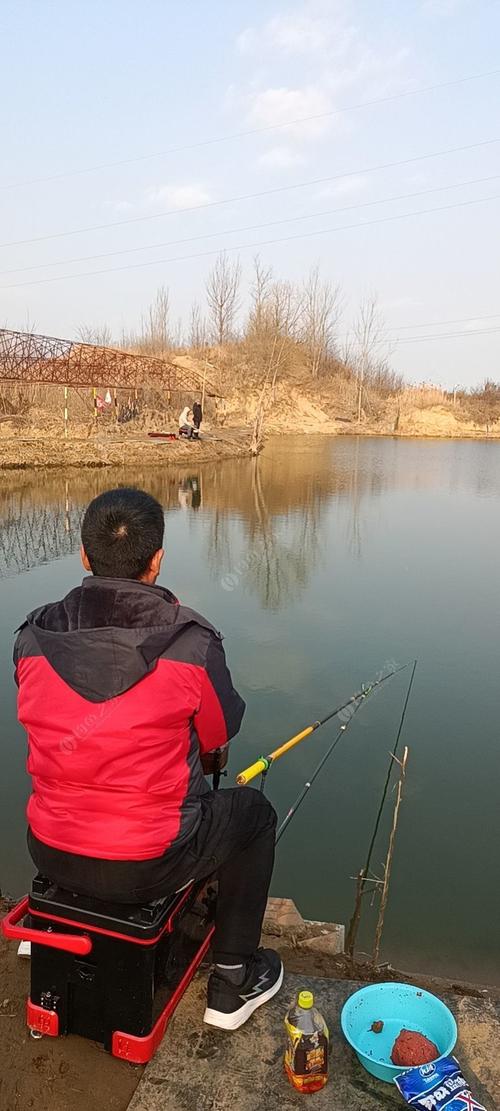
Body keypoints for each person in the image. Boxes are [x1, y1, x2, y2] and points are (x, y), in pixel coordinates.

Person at [14, 488, 282, 1031]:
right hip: (147, 865)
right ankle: (232, 981)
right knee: (253, 815)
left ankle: (53, 914)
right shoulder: (191, 641)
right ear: (156, 560)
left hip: (48, 851)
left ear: (84, 556)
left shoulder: (31, 636)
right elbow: (220, 733)